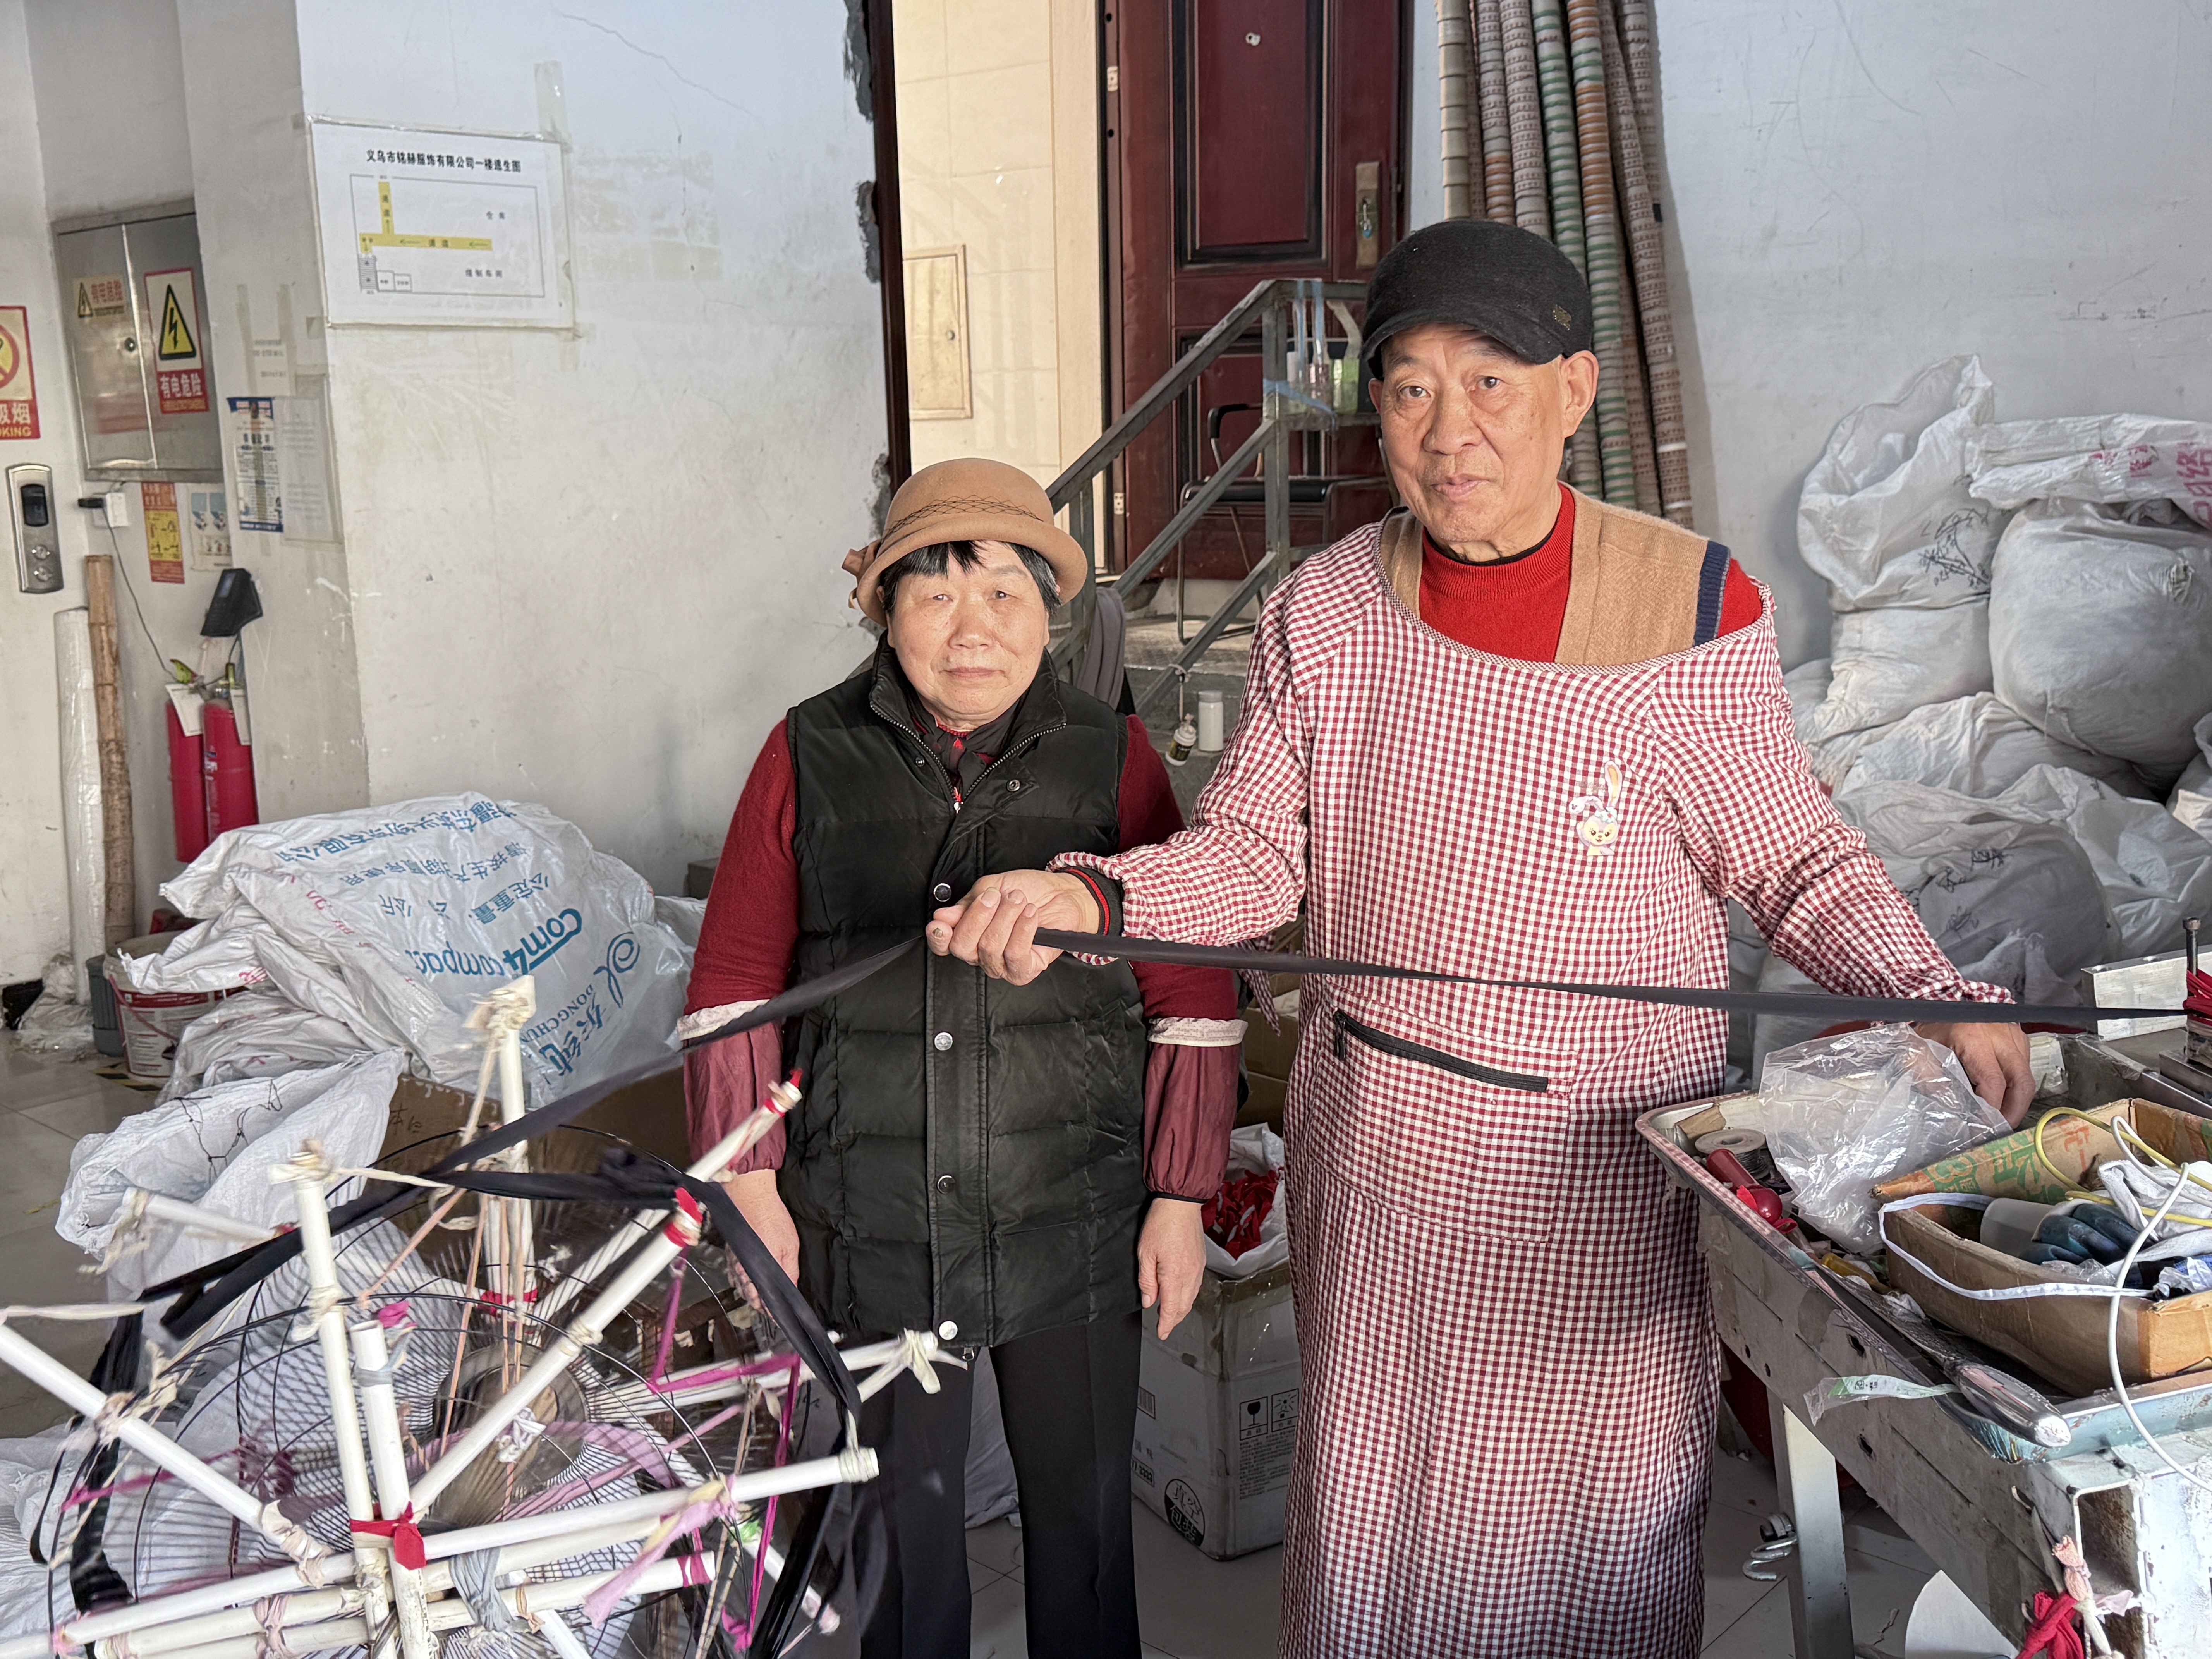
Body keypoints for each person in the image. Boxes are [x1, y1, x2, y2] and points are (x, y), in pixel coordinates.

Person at [926, 220, 2034, 1657]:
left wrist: (1924, 988)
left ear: (1575, 392)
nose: (1448, 433)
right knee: (1380, 1553)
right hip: (1383, 1172)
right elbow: (1258, 855)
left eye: (1490, 383)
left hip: (1596, 1183)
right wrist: (1094, 899)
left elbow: (1793, 855)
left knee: (1588, 1555)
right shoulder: (1324, 611)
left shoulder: (1690, 607)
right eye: (1407, 389)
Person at [680, 457, 1242, 1659]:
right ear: (886, 612)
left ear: (1052, 611)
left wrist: (1181, 1196)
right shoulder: (805, 754)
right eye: (934, 595)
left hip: (1075, 1214)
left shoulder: (1111, 758)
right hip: (872, 1220)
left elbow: (1192, 987)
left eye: (1004, 593)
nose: (972, 629)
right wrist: (752, 1183)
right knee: (898, 1540)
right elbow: (731, 985)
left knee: (1084, 1535)